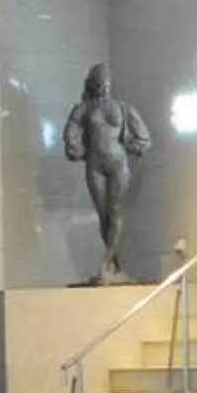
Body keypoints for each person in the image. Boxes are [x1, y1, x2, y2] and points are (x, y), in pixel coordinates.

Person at [60, 65, 153, 286]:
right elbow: (70, 133)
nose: (102, 88)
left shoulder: (122, 107)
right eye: (99, 84)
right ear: (92, 84)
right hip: (94, 164)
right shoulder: (83, 108)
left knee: (115, 210)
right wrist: (76, 149)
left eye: (106, 84)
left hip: (118, 163)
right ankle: (115, 265)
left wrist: (132, 144)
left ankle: (105, 263)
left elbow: (144, 138)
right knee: (104, 215)